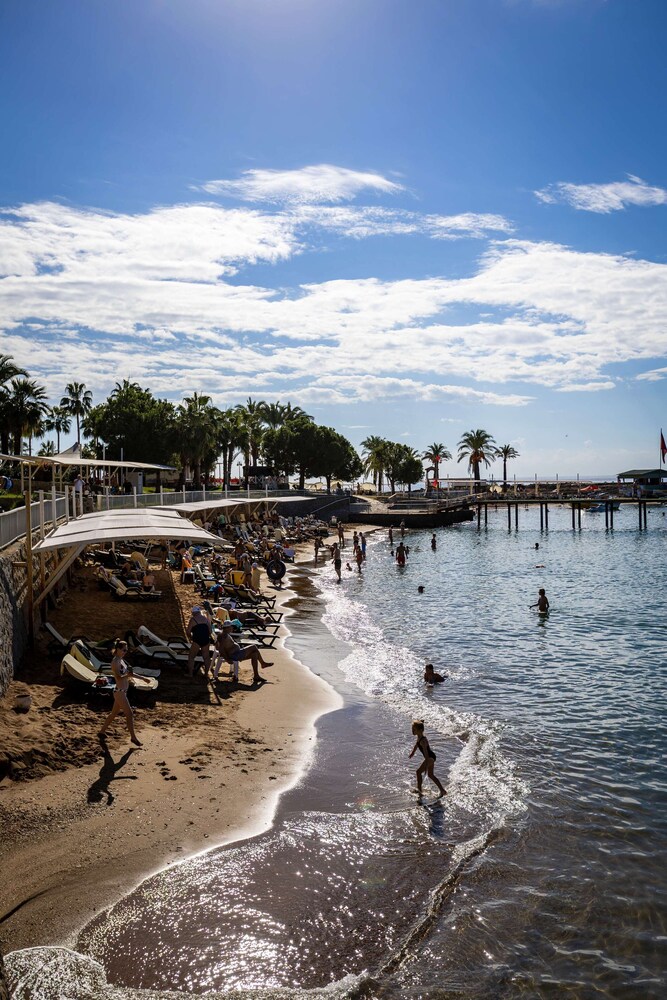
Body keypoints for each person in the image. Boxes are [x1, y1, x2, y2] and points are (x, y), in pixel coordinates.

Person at [98, 640, 142, 746]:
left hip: (122, 692)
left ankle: (101, 732)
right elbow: (118, 677)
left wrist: (143, 678)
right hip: (119, 692)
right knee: (129, 714)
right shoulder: (115, 662)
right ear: (117, 649)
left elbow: (129, 673)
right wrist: (128, 675)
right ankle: (133, 738)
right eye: (123, 650)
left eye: (126, 650)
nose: (125, 652)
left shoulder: (121, 660)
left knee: (113, 714)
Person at [214, 620, 274, 684]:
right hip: (235, 655)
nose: (232, 628)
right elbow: (221, 649)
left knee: (255, 654)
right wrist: (227, 659)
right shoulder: (224, 636)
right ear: (227, 628)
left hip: (236, 653)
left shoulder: (222, 634)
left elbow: (217, 646)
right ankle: (263, 663)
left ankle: (256, 676)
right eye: (231, 627)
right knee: (253, 647)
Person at [409, 721, 446, 798]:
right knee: (431, 775)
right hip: (431, 757)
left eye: (414, 729)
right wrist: (413, 753)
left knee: (418, 772)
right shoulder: (419, 738)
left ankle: (419, 790)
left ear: (420, 730)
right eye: (412, 729)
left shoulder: (423, 740)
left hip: (429, 757)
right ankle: (442, 790)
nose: (412, 731)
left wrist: (426, 765)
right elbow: (416, 745)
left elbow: (426, 753)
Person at [186, 606, 212, 678]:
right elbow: (210, 631)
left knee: (191, 657)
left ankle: (190, 674)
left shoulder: (193, 619)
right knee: (206, 657)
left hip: (197, 639)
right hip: (206, 639)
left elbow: (188, 631)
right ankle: (206, 674)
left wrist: (190, 637)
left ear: (193, 613)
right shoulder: (206, 619)